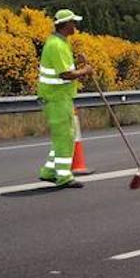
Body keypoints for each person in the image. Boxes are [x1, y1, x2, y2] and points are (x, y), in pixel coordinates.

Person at [37, 10, 94, 189]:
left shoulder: (60, 42)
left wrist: (81, 65)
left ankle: (49, 171)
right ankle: (63, 176)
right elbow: (65, 74)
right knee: (65, 137)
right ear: (66, 24)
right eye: (73, 23)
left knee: (62, 137)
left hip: (59, 97)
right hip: (56, 98)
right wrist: (84, 71)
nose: (75, 26)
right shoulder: (57, 45)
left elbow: (65, 70)